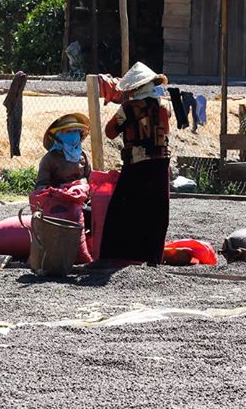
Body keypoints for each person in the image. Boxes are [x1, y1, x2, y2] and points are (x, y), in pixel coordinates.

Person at [98, 62, 172, 265]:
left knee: (124, 209)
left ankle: (121, 255)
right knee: (156, 211)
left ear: (135, 88)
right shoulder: (165, 105)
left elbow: (110, 132)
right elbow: (165, 130)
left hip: (136, 163)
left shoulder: (129, 108)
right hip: (161, 163)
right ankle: (152, 257)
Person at [35, 113, 92, 191]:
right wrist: (59, 191)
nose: (73, 134)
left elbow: (91, 179)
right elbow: (41, 186)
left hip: (82, 195)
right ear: (58, 135)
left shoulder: (82, 155)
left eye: (76, 131)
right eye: (68, 131)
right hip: (59, 196)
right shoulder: (50, 159)